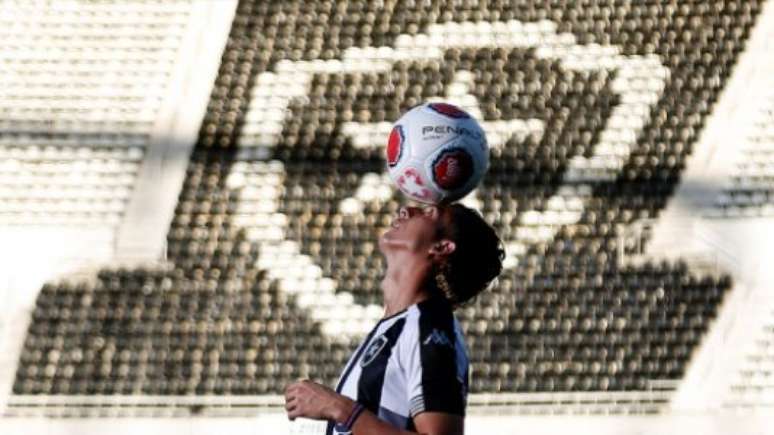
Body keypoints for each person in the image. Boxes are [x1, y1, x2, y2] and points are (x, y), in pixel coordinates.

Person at [284, 203, 504, 435]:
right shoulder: (399, 324)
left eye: (428, 213)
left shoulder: (429, 327)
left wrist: (338, 407)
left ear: (441, 247)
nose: (406, 210)